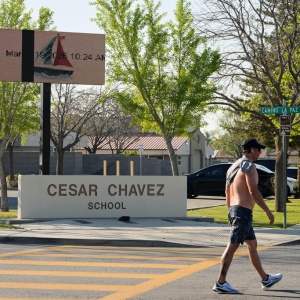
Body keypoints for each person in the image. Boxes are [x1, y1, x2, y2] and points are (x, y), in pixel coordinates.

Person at [213, 138, 282, 294]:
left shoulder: (234, 166)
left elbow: (227, 191)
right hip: (242, 211)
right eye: (259, 149)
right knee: (232, 246)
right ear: (252, 150)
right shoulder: (249, 167)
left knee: (252, 245)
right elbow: (253, 192)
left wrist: (230, 213)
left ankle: (266, 279)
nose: (260, 152)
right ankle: (220, 282)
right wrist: (268, 211)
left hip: (236, 210)